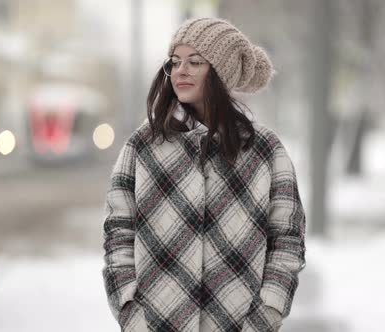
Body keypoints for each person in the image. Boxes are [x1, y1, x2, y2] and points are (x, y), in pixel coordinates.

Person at [101, 17, 307, 332]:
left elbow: (288, 240)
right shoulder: (143, 146)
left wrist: (265, 317)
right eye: (175, 61)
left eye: (195, 62)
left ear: (220, 73)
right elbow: (118, 233)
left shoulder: (265, 150)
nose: (180, 70)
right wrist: (131, 314)